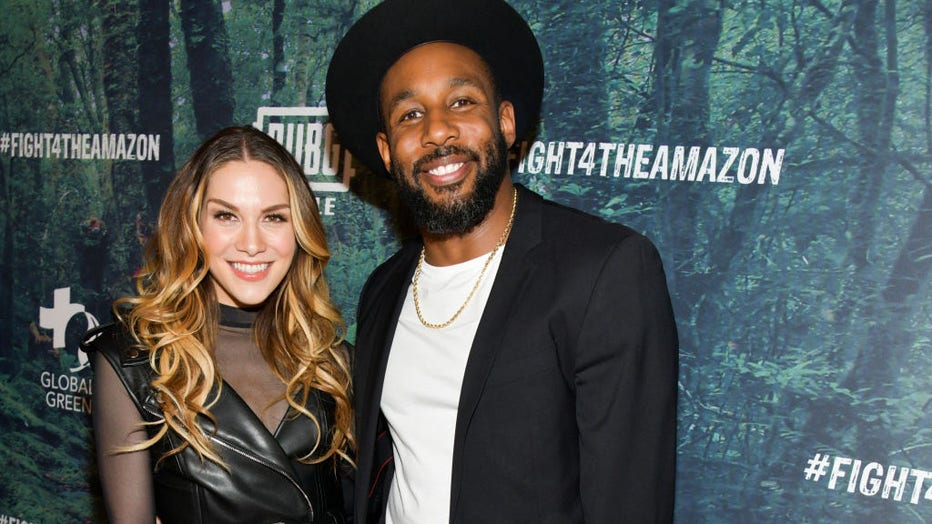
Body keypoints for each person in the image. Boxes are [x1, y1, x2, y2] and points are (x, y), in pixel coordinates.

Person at [325, 0, 679, 522]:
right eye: (410, 114)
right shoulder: (385, 287)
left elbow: (630, 505)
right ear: (385, 149)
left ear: (507, 122)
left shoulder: (604, 272)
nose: (438, 131)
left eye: (462, 102)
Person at [81, 126, 353, 524]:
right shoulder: (132, 362)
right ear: (192, 226)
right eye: (226, 216)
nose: (252, 243)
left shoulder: (333, 362)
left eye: (273, 217)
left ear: (299, 229)